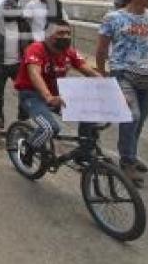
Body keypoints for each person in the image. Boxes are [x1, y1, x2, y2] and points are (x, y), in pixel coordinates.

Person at [96, 0, 148, 187]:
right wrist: (102, 73)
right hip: (123, 73)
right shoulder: (113, 18)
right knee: (132, 116)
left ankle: (131, 153)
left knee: (141, 120)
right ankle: (127, 161)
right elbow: (102, 48)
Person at [14, 21, 102, 165]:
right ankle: (28, 148)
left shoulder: (70, 52)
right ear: (47, 35)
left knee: (90, 117)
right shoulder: (35, 49)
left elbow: (90, 71)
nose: (65, 37)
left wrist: (115, 92)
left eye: (68, 33)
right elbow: (34, 74)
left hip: (57, 96)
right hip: (32, 94)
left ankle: (83, 154)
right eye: (60, 33)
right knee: (50, 128)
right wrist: (48, 97)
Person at [0, 0, 31, 133]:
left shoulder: (23, 23)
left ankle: (22, 120)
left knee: (25, 92)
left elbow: (31, 42)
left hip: (19, 64)